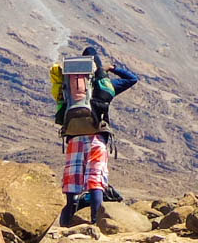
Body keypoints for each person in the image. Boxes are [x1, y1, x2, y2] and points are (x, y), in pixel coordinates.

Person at [53, 45, 139, 226]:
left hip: (74, 136)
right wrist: (110, 69)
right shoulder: (104, 83)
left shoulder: (70, 86)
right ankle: (96, 221)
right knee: (95, 177)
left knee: (73, 178)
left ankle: (68, 221)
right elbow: (132, 79)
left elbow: (60, 102)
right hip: (96, 136)